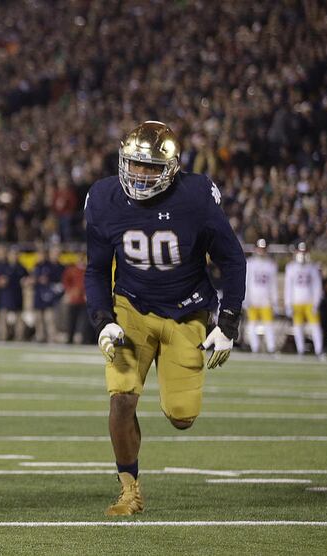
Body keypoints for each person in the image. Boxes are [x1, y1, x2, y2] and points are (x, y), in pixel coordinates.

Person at [84, 121, 246, 516]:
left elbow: (232, 258)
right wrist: (103, 319)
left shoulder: (195, 197)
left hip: (187, 310)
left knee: (182, 416)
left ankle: (175, 404)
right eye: (133, 165)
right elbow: (95, 268)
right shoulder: (104, 197)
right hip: (132, 306)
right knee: (121, 399)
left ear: (171, 168)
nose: (139, 174)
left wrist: (227, 323)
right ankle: (129, 489)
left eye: (150, 167)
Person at [284, 242, 323, 357]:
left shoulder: (313, 267)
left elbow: (317, 286)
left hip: (310, 302)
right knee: (298, 327)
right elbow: (288, 287)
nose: (302, 254)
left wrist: (316, 302)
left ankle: (319, 350)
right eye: (300, 251)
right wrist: (288, 304)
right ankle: (300, 350)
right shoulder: (291, 267)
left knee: (315, 327)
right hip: (296, 302)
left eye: (304, 251)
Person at [243, 238, 278, 354]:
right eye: (260, 248)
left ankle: (271, 347)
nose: (261, 251)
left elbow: (273, 284)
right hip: (253, 298)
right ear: (256, 249)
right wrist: (246, 298)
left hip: (266, 299)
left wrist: (274, 300)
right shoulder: (250, 263)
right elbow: (246, 282)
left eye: (263, 249)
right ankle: (255, 347)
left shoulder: (271, 265)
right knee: (252, 324)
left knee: (269, 324)